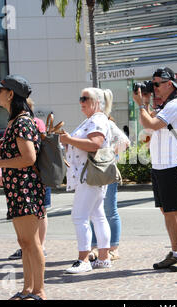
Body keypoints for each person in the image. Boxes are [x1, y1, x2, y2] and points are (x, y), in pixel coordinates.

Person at [0, 74, 46, 300]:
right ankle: (27, 289)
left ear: (11, 94)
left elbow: (29, 158)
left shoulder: (22, 121)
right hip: (17, 188)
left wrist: (0, 162)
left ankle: (39, 291)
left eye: (0, 90)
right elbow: (18, 153)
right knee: (24, 242)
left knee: (33, 242)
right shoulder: (15, 121)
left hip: (26, 188)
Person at [132, 67, 177, 272]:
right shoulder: (165, 106)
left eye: (157, 84)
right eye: (153, 84)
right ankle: (176, 253)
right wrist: (147, 103)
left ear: (170, 84)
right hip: (159, 165)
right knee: (167, 211)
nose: (155, 88)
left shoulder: (176, 104)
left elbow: (149, 123)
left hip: (172, 164)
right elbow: (151, 128)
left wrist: (141, 105)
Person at [60, 87, 113, 274]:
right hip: (90, 175)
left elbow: (95, 144)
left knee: (79, 216)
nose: (81, 101)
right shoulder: (92, 119)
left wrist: (70, 140)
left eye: (85, 98)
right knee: (97, 216)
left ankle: (83, 259)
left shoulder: (97, 119)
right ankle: (104, 258)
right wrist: (68, 141)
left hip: (89, 175)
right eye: (80, 97)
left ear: (97, 101)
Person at [8, 98, 51, 260]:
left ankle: (38, 246)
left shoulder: (25, 123)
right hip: (38, 173)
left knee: (38, 212)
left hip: (33, 175)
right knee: (41, 210)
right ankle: (37, 245)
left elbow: (31, 153)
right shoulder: (34, 122)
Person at [89, 117, 130, 262]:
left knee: (109, 210)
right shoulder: (90, 123)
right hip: (93, 172)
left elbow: (125, 142)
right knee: (93, 211)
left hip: (107, 171)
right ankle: (95, 247)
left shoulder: (107, 123)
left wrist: (111, 155)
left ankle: (113, 248)